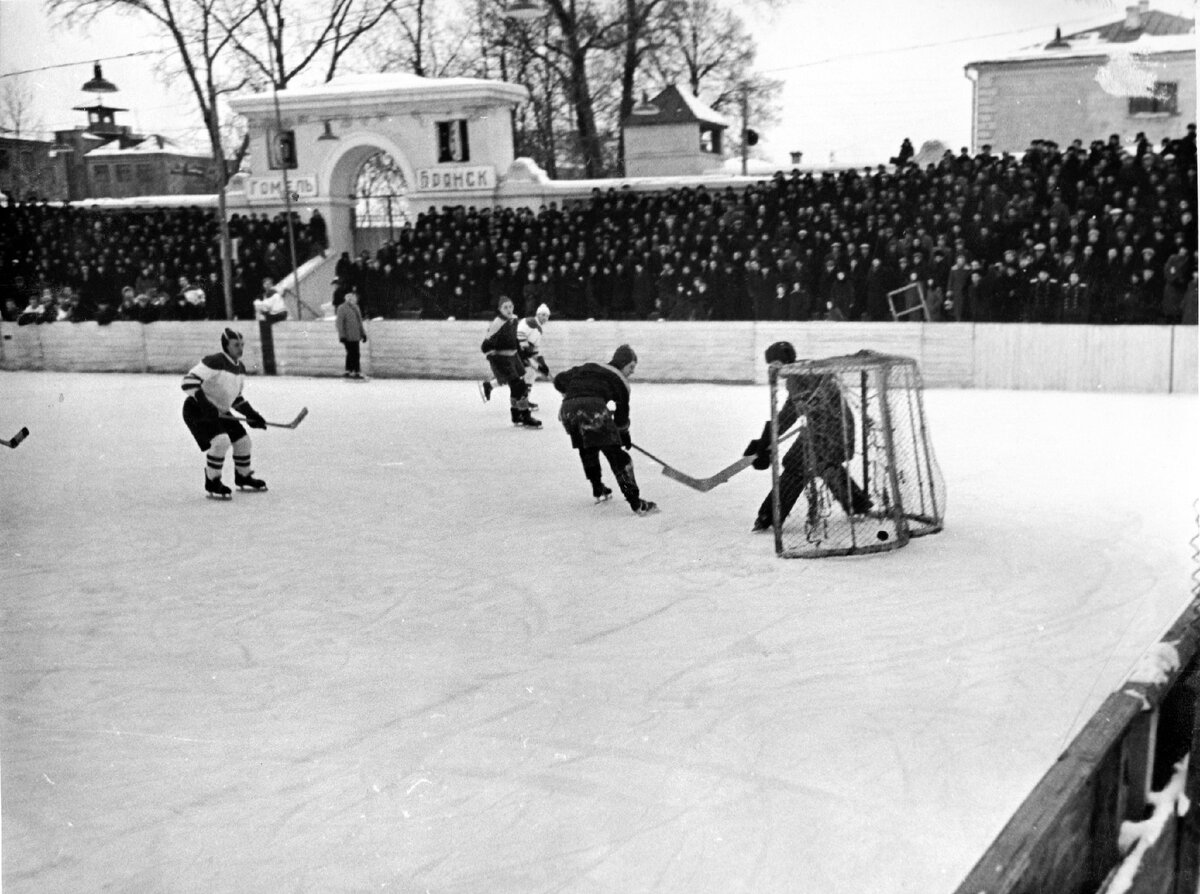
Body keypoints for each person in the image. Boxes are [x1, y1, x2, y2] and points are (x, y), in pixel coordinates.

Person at [743, 341, 871, 532]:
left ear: (783, 362)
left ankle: (768, 516)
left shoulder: (799, 376)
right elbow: (791, 411)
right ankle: (858, 505)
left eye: (774, 365)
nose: (772, 370)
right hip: (836, 430)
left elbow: (803, 407)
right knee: (825, 465)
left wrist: (767, 439)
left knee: (796, 466)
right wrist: (766, 438)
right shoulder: (803, 372)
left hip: (828, 432)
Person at [553, 344, 658, 515]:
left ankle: (598, 489)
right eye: (631, 367)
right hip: (593, 410)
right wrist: (623, 434)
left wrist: (573, 394)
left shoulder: (589, 366)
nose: (632, 372)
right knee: (619, 458)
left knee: (587, 448)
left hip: (567, 411)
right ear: (623, 363)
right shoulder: (622, 383)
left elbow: (559, 380)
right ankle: (636, 502)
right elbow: (622, 417)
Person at [180, 328, 268, 499]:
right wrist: (205, 404)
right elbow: (188, 381)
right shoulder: (214, 361)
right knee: (221, 441)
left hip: (220, 411)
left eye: (242, 345)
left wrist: (252, 415)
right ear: (226, 346)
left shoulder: (240, 368)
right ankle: (212, 480)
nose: (240, 348)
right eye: (236, 345)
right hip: (197, 410)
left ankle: (243, 476)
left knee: (243, 442)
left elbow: (235, 398)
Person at [479, 297, 541, 428]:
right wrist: (495, 359)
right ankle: (525, 416)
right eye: (505, 307)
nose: (508, 309)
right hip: (503, 360)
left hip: (514, 357)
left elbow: (513, 339)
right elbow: (485, 346)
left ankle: (515, 415)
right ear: (500, 309)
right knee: (520, 387)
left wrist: (521, 353)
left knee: (515, 387)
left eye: (510, 306)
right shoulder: (497, 323)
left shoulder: (513, 319)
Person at [335, 290, 368, 379]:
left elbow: (359, 322)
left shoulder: (356, 307)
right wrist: (342, 336)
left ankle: (354, 371)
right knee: (351, 353)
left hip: (356, 336)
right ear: (346, 299)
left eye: (352, 298)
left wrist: (363, 334)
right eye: (348, 298)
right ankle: (351, 371)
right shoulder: (342, 308)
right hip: (347, 337)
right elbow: (339, 323)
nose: (351, 299)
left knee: (356, 353)